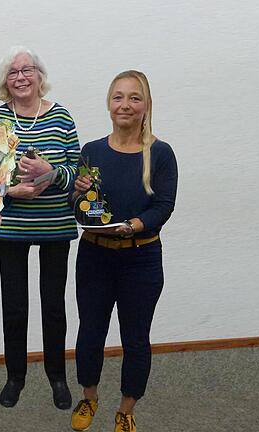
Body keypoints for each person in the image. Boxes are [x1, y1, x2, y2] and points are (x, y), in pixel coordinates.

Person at [69, 70, 177, 432]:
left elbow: (163, 206)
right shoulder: (92, 151)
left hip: (141, 258)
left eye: (134, 97)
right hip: (94, 256)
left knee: (135, 338)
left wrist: (132, 226)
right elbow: (83, 209)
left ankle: (127, 408)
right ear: (108, 103)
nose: (125, 105)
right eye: (118, 97)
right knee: (90, 332)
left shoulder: (160, 153)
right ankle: (90, 397)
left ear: (146, 105)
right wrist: (79, 193)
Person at [0, 46, 80, 410]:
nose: (21, 77)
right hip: (10, 226)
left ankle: (57, 376)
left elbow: (78, 174)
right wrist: (12, 189)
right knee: (14, 306)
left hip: (56, 225)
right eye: (12, 73)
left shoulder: (62, 117)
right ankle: (16, 376)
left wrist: (51, 173)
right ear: (4, 83)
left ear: (40, 77)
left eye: (27, 70)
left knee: (53, 305)